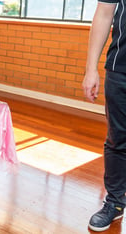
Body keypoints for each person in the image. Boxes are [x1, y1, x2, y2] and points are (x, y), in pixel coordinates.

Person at [83, 1, 126, 232]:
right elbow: (104, 13)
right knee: (117, 139)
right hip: (120, 68)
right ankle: (115, 203)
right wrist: (91, 69)